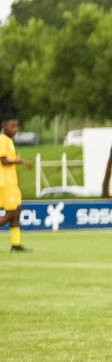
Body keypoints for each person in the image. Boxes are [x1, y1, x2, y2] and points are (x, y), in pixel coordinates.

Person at [1, 101, 32, 252]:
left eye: (17, 126)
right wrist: (18, 161)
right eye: (13, 126)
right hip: (5, 183)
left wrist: (22, 162)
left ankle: (16, 244)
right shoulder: (2, 140)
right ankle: (16, 244)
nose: (16, 129)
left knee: (16, 214)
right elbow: (3, 160)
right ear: (4, 126)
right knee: (12, 212)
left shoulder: (9, 141)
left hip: (12, 183)